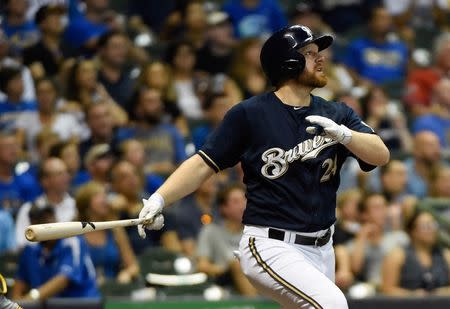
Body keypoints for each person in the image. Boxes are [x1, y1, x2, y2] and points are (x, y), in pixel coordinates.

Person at [137, 25, 390, 309]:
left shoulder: (337, 113)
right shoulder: (251, 113)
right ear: (288, 62)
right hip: (271, 244)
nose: (320, 59)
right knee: (332, 304)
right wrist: (160, 198)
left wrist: (345, 135)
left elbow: (380, 155)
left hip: (322, 247)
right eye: (309, 53)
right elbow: (202, 164)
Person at [12, 203, 99, 301]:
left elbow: (63, 279)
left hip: (82, 304)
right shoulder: (30, 250)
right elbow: (20, 283)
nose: (49, 222)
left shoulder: (72, 241)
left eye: (51, 217)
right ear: (32, 225)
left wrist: (28, 300)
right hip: (46, 305)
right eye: (42, 219)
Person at [381, 210, 450, 296]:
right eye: (425, 226)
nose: (431, 230)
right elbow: (387, 289)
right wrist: (411, 295)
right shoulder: (397, 256)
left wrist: (442, 292)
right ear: (412, 231)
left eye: (433, 225)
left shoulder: (446, 255)